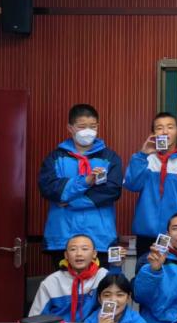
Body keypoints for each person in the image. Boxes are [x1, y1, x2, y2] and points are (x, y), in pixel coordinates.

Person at [38, 103, 122, 265]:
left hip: (100, 237)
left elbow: (111, 191)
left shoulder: (110, 158)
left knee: (100, 281)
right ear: (70, 128)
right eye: (82, 126)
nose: (88, 131)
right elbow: (49, 188)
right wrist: (85, 182)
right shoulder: (55, 158)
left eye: (93, 126)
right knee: (63, 281)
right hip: (62, 237)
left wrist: (70, 200)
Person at [123, 112, 177, 257]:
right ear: (153, 134)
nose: (165, 132)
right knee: (146, 270)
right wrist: (142, 155)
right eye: (159, 128)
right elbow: (131, 185)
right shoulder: (145, 160)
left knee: (175, 271)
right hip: (146, 235)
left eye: (170, 127)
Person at [30, 233, 107, 323]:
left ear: (94, 254)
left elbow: (115, 306)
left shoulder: (103, 276)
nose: (79, 254)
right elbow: (35, 318)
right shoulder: (51, 282)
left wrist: (116, 266)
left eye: (84, 249)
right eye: (73, 249)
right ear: (66, 255)